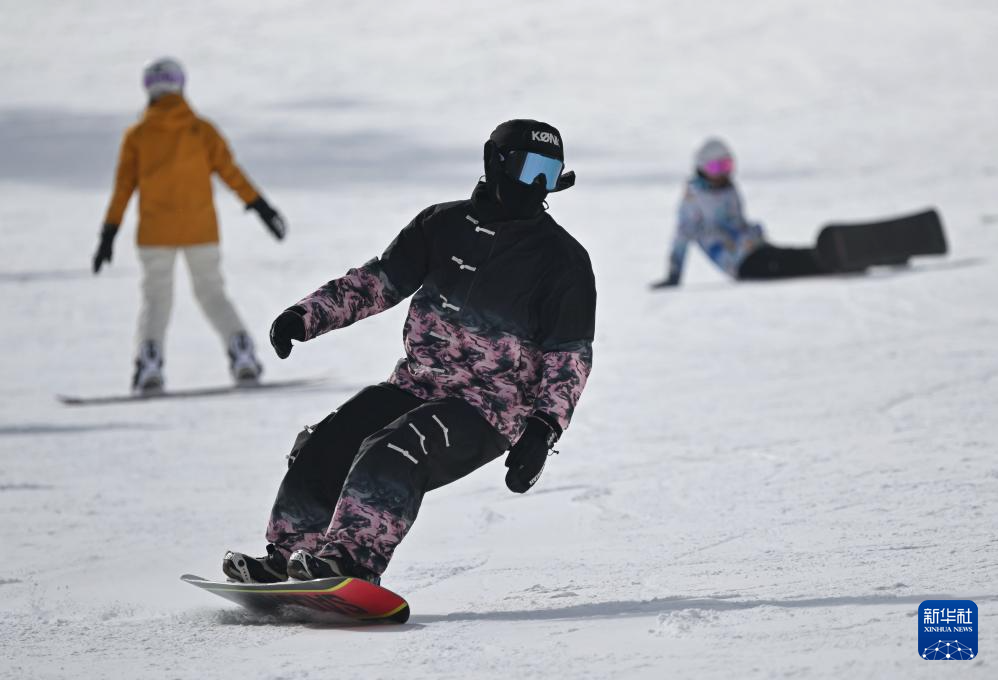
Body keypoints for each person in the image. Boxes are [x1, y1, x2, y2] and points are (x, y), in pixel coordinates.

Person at [221, 119, 596, 585]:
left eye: (550, 172)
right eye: (529, 168)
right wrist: (306, 316)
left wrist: (541, 430)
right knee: (330, 439)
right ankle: (293, 553)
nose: (538, 184)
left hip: (489, 408)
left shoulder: (562, 260)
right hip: (416, 384)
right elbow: (377, 282)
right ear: (495, 163)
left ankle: (351, 563)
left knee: (395, 448)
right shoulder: (441, 225)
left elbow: (570, 358)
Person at [93, 57, 287, 393]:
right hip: (201, 230)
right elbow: (231, 173)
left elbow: (123, 189)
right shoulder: (201, 130)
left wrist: (108, 233)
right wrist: (262, 208)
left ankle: (149, 363)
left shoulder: (137, 135)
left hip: (156, 233)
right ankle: (242, 353)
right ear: (180, 85)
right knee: (212, 293)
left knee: (156, 299)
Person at [653, 138, 829, 287]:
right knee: (783, 265)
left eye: (726, 166)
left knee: (786, 257)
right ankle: (823, 262)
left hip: (753, 247)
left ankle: (824, 257)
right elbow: (682, 237)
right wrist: (673, 275)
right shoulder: (694, 198)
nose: (722, 173)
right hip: (739, 263)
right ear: (702, 168)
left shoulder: (728, 189)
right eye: (715, 168)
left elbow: (738, 223)